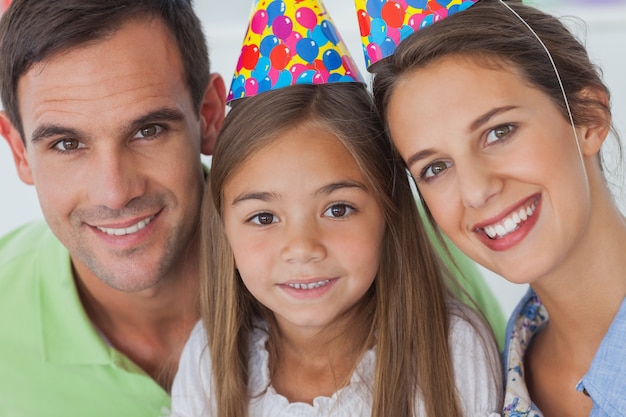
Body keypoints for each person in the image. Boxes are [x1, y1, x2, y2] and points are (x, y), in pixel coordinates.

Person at [171, 80, 502, 417]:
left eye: (338, 209)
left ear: (389, 215)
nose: (302, 248)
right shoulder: (208, 359)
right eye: (264, 217)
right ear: (224, 232)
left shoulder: (452, 350)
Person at [371, 0, 626, 416]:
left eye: (499, 132)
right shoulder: (482, 378)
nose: (475, 191)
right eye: (435, 167)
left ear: (588, 119)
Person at [0, 0, 226, 415]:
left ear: (209, 117)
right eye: (67, 144)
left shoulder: (330, 265)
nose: (115, 193)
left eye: (148, 130)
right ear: (19, 152)